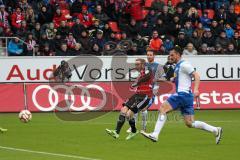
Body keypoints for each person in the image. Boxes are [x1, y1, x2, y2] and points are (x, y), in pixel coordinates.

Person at [141, 47, 223, 144]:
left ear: (178, 55)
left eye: (172, 55)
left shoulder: (184, 64)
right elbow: (176, 79)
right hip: (187, 97)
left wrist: (196, 89)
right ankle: (215, 130)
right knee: (190, 123)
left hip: (182, 94)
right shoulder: (178, 66)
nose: (170, 57)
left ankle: (155, 134)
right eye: (170, 55)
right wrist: (165, 79)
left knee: (162, 108)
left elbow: (196, 76)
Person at [106, 58, 154, 140]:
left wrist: (136, 83)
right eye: (135, 64)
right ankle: (116, 132)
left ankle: (134, 131)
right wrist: (135, 84)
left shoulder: (147, 70)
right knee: (123, 110)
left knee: (129, 114)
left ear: (143, 65)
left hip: (145, 96)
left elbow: (147, 77)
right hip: (137, 95)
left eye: (138, 64)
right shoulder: (140, 74)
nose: (136, 66)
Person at [127, 50, 164, 133]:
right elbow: (140, 76)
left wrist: (155, 79)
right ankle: (135, 127)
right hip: (141, 90)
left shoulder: (158, 66)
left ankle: (142, 128)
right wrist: (136, 83)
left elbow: (164, 78)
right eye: (148, 55)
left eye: (151, 55)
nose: (149, 56)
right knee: (137, 107)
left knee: (142, 108)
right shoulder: (144, 66)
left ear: (154, 56)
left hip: (152, 91)